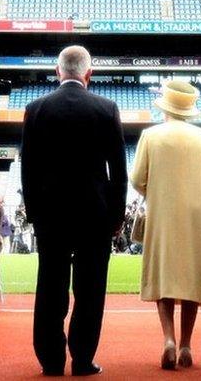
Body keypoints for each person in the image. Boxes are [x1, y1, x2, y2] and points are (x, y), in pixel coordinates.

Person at [20, 45, 127, 377]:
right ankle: (82, 359)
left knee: (50, 287)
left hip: (51, 215)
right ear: (89, 73)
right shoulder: (106, 109)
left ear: (57, 71)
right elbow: (119, 172)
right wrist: (116, 218)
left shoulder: (35, 109)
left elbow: (28, 169)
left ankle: (51, 359)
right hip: (94, 215)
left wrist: (34, 214)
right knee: (90, 289)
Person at [131, 80, 201, 370]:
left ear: (165, 108)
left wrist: (157, 189)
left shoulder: (150, 135)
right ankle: (186, 344)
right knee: (192, 279)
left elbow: (137, 179)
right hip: (196, 216)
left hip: (162, 214)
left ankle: (168, 339)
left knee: (164, 277)